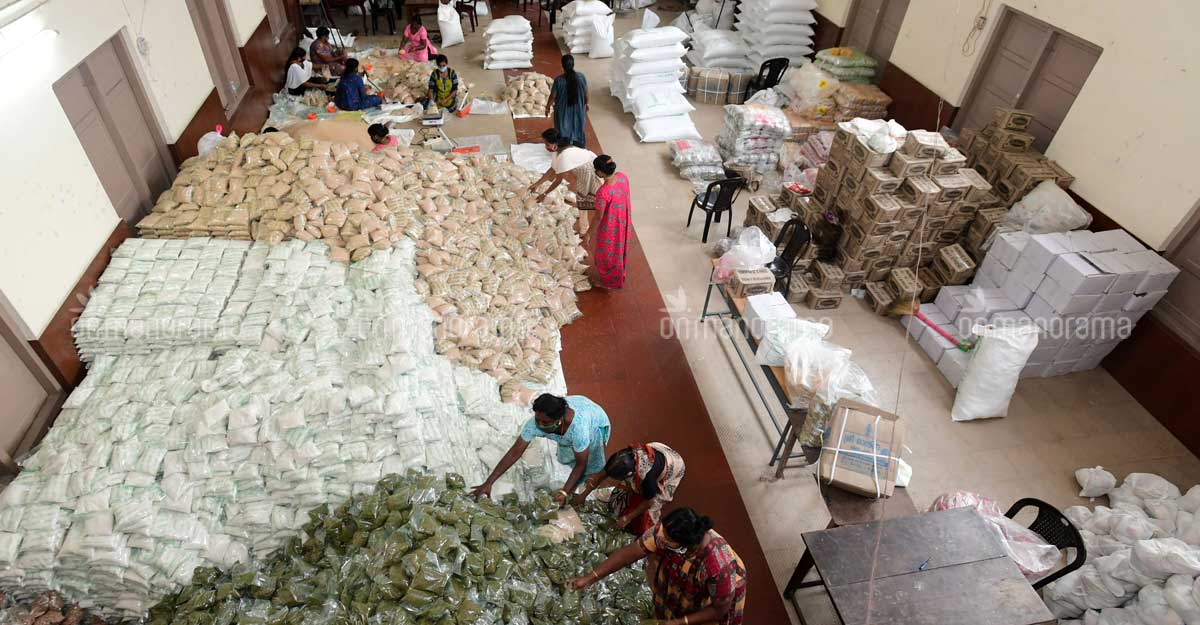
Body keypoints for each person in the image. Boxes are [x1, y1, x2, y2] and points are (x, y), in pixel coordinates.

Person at [570, 508, 747, 625]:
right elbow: (630, 553)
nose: (660, 540)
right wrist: (590, 577)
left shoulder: (717, 567)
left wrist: (681, 622)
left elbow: (718, 610)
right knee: (671, 605)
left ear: (686, 545)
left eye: (668, 541)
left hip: (712, 601)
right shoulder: (667, 532)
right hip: (684, 582)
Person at [471, 393, 611, 504]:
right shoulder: (535, 424)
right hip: (572, 416)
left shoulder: (579, 430)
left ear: (559, 419)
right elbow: (515, 452)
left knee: (587, 462)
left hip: (594, 422)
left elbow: (581, 465)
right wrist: (489, 482)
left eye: (545, 422)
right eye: (538, 419)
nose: (540, 425)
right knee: (569, 453)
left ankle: (580, 487)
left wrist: (564, 492)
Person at [573, 443, 685, 534]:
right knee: (623, 494)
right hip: (658, 450)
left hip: (673, 465)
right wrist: (583, 495)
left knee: (649, 512)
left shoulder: (648, 478)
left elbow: (649, 502)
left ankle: (643, 531)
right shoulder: (619, 458)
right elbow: (602, 474)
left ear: (631, 473)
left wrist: (627, 518)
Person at [527, 129, 599, 234]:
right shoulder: (557, 150)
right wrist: (537, 184)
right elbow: (552, 169)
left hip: (590, 170)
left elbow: (558, 180)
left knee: (583, 202)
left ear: (555, 143)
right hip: (584, 170)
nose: (545, 146)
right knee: (587, 198)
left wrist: (545, 194)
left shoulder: (564, 156)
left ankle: (585, 230)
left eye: (547, 143)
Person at [586, 155, 632, 290]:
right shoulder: (623, 177)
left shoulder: (603, 192)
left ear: (600, 172)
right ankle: (619, 273)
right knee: (619, 250)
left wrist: (589, 234)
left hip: (610, 228)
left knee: (606, 255)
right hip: (623, 221)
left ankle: (609, 283)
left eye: (596, 170)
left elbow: (598, 217)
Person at [546, 54, 589, 149]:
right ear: (573, 64)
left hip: (563, 111)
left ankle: (564, 148)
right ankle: (579, 147)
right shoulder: (581, 77)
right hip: (578, 109)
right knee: (578, 127)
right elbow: (586, 94)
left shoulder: (559, 80)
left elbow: (552, 96)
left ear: (562, 65)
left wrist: (547, 107)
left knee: (563, 128)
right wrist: (586, 103)